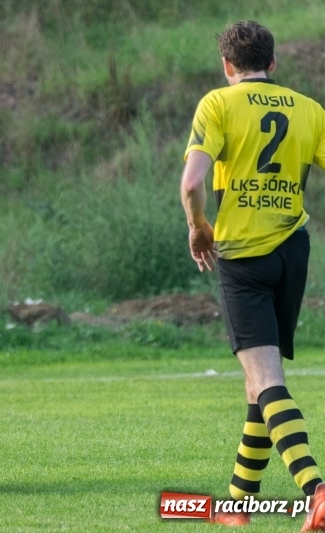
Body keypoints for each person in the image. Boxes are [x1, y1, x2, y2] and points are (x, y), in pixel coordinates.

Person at [179, 20, 325, 531]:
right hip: (293, 250)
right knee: (256, 385)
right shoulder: (310, 110)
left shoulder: (218, 104)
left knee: (267, 380)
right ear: (273, 64)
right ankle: (238, 505)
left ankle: (317, 491)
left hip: (242, 257)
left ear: (226, 66)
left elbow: (193, 181)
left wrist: (199, 228)